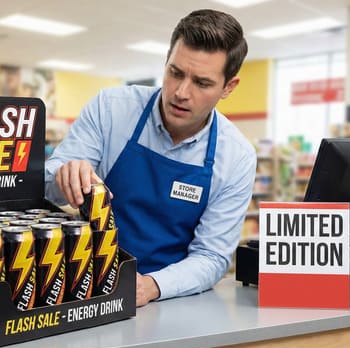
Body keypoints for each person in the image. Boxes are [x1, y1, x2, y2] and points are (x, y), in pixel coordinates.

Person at [44, 9, 257, 307]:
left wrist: (152, 286)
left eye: (202, 83)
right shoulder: (111, 109)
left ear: (228, 87)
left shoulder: (236, 157)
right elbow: (44, 186)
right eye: (176, 73)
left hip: (171, 297)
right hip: (86, 288)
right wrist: (62, 174)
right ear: (166, 62)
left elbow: (212, 256)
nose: (181, 92)